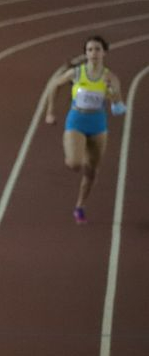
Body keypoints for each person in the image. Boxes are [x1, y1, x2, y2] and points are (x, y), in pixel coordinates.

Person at [45, 35, 127, 224]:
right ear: (85, 53)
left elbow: (118, 108)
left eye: (97, 49)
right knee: (74, 164)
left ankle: (80, 206)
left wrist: (112, 93)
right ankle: (75, 152)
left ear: (104, 53)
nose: (93, 53)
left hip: (98, 123)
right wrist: (50, 111)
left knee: (91, 171)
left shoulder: (110, 77)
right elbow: (54, 85)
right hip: (77, 120)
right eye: (90, 50)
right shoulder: (76, 73)